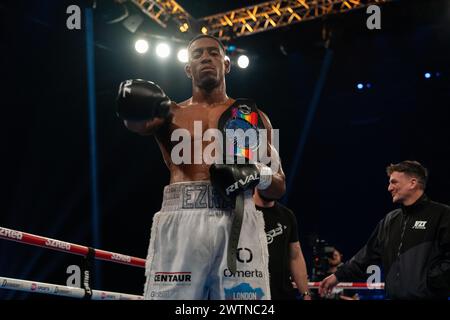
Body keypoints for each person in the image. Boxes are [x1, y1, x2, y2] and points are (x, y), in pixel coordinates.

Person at [116, 34, 286, 300]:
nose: (206, 58)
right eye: (197, 55)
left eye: (213, 53)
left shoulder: (251, 116)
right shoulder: (168, 113)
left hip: (238, 217)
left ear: (226, 64)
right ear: (187, 69)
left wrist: (257, 173)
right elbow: (135, 124)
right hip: (182, 218)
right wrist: (129, 108)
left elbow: (279, 185)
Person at [319, 160, 450, 299]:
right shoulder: (390, 220)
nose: (389, 188)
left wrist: (430, 283)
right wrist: (338, 276)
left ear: (412, 183)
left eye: (394, 182)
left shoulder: (442, 215)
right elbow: (366, 256)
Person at [253, 189, 311, 300]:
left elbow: (295, 257)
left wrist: (306, 294)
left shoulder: (287, 215)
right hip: (251, 292)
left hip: (282, 294)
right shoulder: (242, 213)